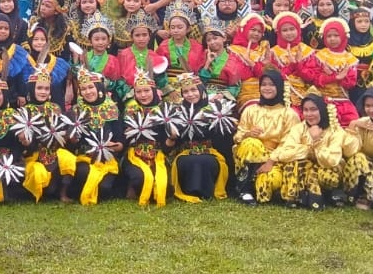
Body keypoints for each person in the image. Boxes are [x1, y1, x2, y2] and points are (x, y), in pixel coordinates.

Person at [232, 69, 302, 205]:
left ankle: (258, 183)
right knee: (251, 143)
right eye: (264, 84)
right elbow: (237, 136)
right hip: (249, 155)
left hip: (275, 160)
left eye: (271, 84)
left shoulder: (289, 114)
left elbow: (289, 145)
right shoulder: (251, 110)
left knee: (265, 185)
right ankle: (244, 189)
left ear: (279, 87)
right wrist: (247, 134)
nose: (267, 88)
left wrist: (270, 162)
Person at [164, 73, 229, 203]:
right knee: (189, 161)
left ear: (201, 91)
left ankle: (207, 192)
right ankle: (189, 192)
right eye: (186, 91)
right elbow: (168, 145)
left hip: (210, 152)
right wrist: (171, 137)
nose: (190, 94)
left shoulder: (214, 110)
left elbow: (224, 139)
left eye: (194, 90)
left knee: (206, 160)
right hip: (185, 152)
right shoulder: (177, 112)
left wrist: (213, 122)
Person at [66, 68, 124, 205]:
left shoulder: (112, 109)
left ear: (98, 88)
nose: (88, 92)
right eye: (84, 89)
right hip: (84, 157)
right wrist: (72, 139)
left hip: (107, 159)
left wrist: (116, 146)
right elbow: (71, 144)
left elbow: (120, 140)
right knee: (83, 173)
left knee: (105, 187)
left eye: (91, 87)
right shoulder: (76, 110)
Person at [121, 71, 168, 207]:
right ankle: (133, 187)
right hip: (135, 154)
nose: (143, 95)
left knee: (163, 181)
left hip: (159, 154)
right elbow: (123, 137)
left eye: (146, 91)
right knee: (140, 177)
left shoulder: (163, 110)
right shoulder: (130, 110)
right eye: (139, 92)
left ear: (154, 91)